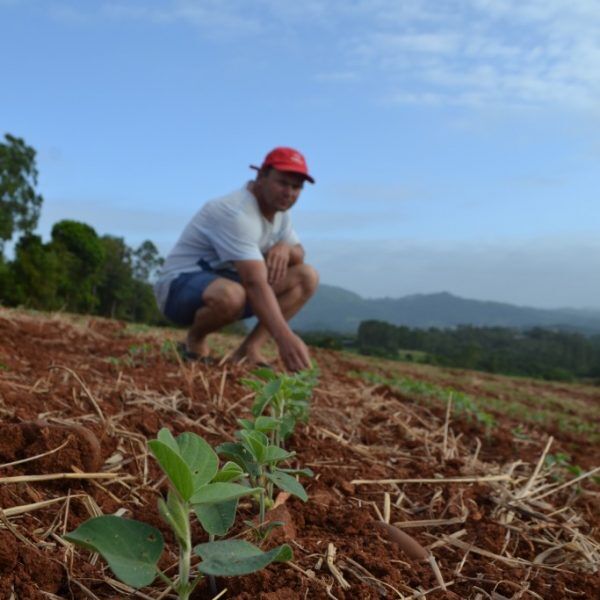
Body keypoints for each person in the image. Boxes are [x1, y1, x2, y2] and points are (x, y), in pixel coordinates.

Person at [153, 147, 319, 372]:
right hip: (178, 288)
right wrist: (284, 338)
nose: (289, 192)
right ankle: (195, 339)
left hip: (229, 281)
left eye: (296, 187)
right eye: (282, 183)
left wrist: (286, 250)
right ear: (261, 176)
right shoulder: (236, 213)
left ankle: (248, 350)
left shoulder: (280, 215)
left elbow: (299, 253)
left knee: (306, 277)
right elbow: (254, 282)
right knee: (231, 295)